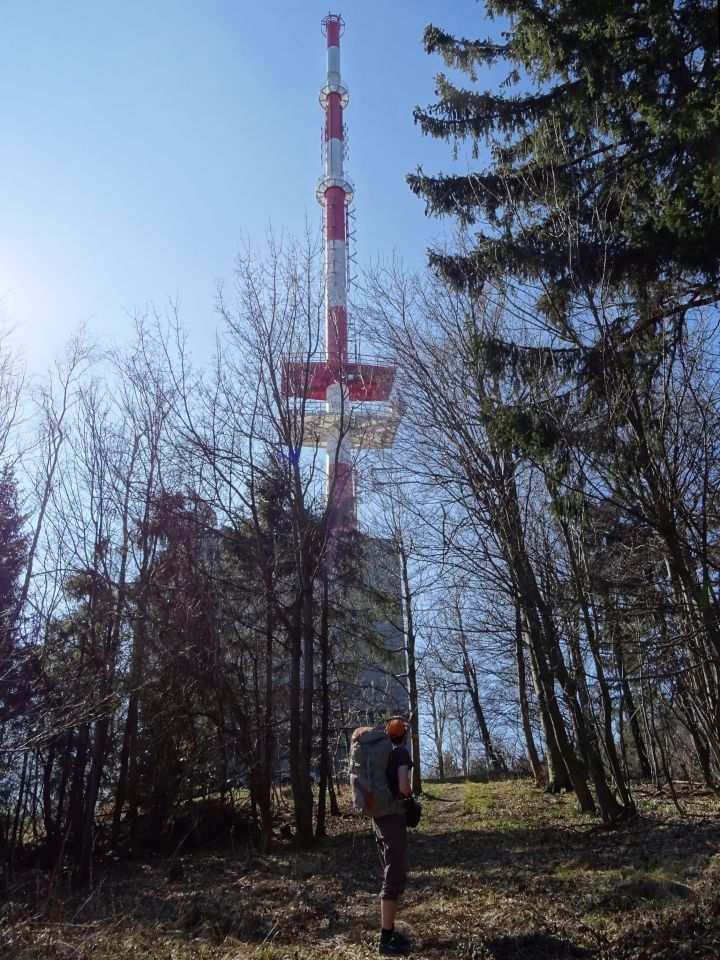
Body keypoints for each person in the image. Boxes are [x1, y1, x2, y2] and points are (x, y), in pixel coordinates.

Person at [373, 717, 413, 956]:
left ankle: (390, 931)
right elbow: (404, 787)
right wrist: (409, 798)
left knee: (390, 871)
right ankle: (386, 939)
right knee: (393, 878)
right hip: (392, 819)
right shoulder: (400, 755)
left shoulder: (382, 756)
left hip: (378, 819)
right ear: (404, 736)